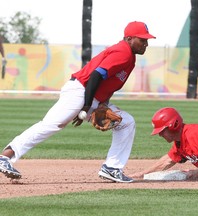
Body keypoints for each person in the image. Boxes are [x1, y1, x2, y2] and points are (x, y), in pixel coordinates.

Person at [0, 21, 156, 183]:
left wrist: (101, 105)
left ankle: (112, 168)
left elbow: (107, 84)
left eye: (146, 40)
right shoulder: (123, 52)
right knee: (52, 124)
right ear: (129, 39)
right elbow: (96, 76)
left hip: (89, 96)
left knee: (126, 122)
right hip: (81, 91)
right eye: (142, 40)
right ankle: (5, 157)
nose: (145, 44)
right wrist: (87, 105)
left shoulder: (129, 57)